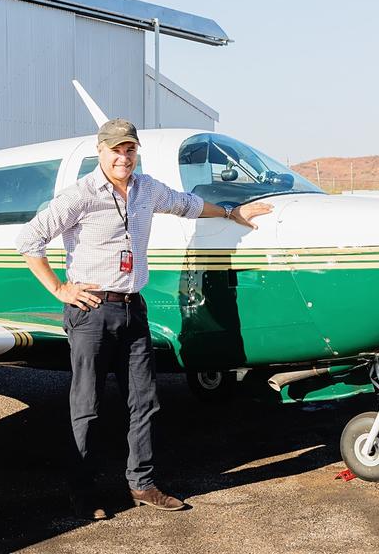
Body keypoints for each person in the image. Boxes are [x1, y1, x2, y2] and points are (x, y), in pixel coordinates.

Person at [16, 118, 272, 520]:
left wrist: (230, 211)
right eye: (116, 150)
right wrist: (60, 289)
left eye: (129, 149)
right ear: (100, 152)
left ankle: (142, 483)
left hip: (134, 308)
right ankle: (83, 492)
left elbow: (186, 204)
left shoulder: (147, 188)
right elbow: (29, 240)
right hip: (91, 312)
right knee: (88, 405)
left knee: (145, 401)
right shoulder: (79, 196)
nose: (123, 157)